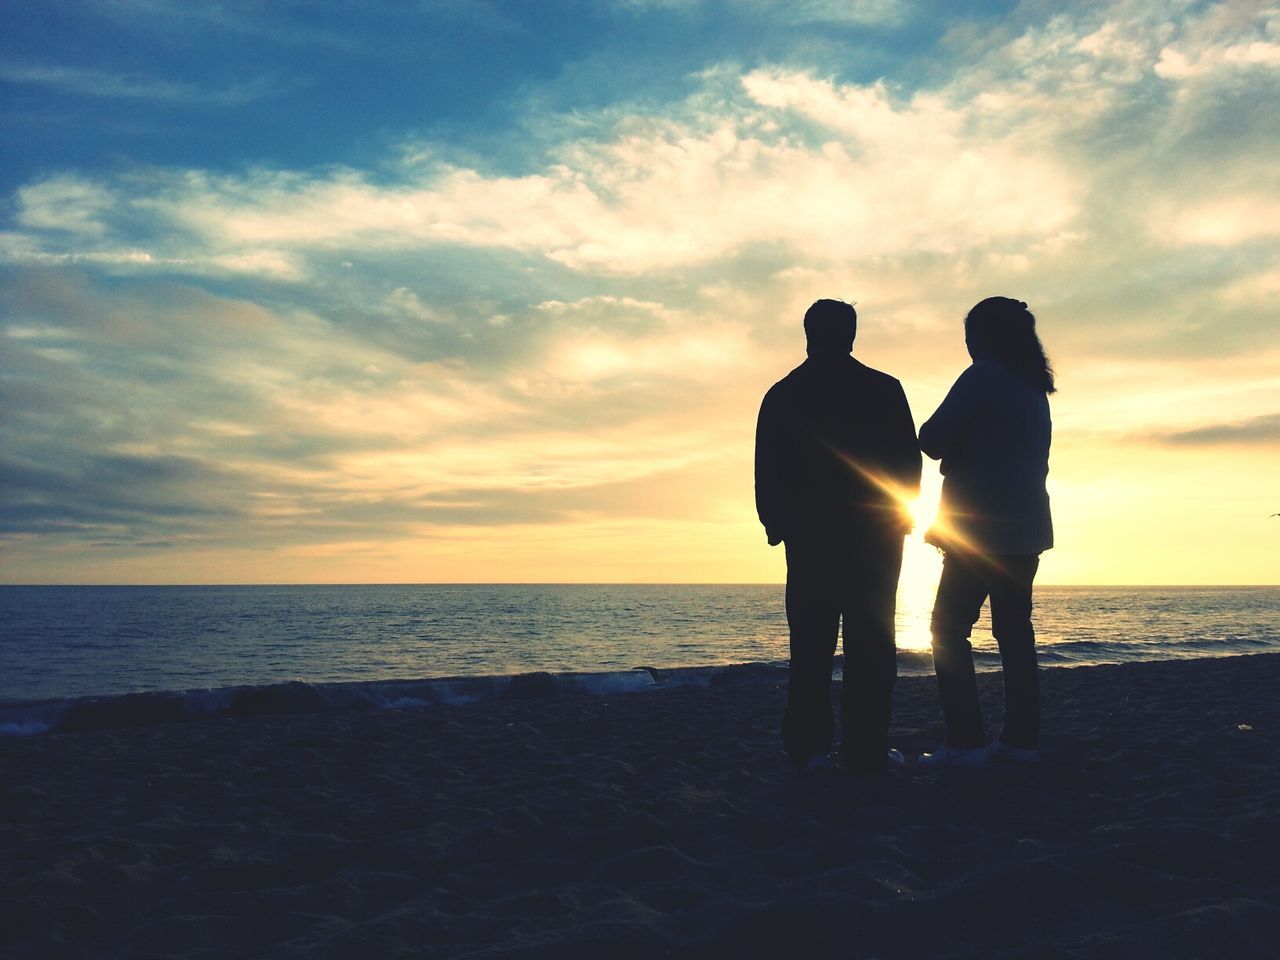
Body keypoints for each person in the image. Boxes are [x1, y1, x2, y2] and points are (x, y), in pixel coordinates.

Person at [755, 299, 921, 775]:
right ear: (851, 335)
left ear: (808, 334)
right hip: (875, 538)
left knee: (810, 646)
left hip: (811, 539)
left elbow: (767, 468)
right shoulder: (884, 389)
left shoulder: (784, 393)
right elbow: (909, 464)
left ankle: (809, 750)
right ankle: (865, 749)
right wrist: (902, 517)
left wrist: (776, 525)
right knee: (871, 645)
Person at [917, 297, 1055, 768]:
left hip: (979, 530)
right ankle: (1021, 741)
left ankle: (965, 741)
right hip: (1027, 527)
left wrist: (956, 449)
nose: (968, 345)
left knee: (947, 630)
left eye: (970, 335)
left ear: (984, 336)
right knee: (1015, 634)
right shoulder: (1032, 387)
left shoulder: (984, 376)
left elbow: (931, 438)